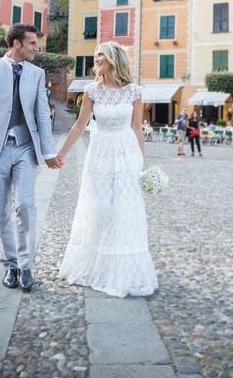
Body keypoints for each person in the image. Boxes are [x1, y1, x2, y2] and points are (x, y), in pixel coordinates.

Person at [56, 42, 158, 297]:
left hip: (125, 154)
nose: (96, 58)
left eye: (100, 54)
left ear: (113, 58)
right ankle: (95, 264)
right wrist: (61, 154)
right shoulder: (92, 91)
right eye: (95, 55)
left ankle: (120, 267)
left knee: (123, 208)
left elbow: (137, 128)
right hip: (99, 154)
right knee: (99, 207)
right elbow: (80, 126)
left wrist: (141, 163)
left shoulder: (134, 92)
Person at [0, 24, 62, 293]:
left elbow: (42, 114)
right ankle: (11, 265)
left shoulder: (37, 74)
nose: (37, 48)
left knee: (27, 206)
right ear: (17, 43)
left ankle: (26, 265)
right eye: (32, 43)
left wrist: (49, 151)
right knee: (0, 211)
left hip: (25, 148)